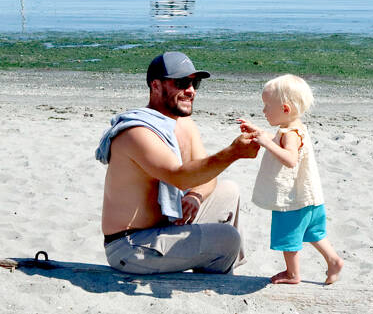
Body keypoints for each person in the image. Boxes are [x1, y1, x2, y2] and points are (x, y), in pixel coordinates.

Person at [96, 51, 260, 275]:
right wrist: (233, 153)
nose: (191, 91)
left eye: (195, 83)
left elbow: (206, 175)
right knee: (228, 239)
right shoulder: (137, 133)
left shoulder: (184, 123)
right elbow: (178, 176)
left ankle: (209, 270)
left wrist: (195, 196)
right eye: (182, 83)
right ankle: (215, 281)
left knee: (229, 190)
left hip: (166, 227)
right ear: (156, 85)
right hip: (131, 246)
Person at [239, 74, 343, 285]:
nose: (264, 111)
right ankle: (333, 261)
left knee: (289, 237)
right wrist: (259, 132)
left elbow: (290, 159)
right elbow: (277, 139)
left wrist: (265, 144)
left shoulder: (291, 134)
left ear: (285, 109)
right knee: (314, 232)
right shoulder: (293, 128)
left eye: (267, 106)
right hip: (309, 196)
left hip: (292, 200)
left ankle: (292, 274)